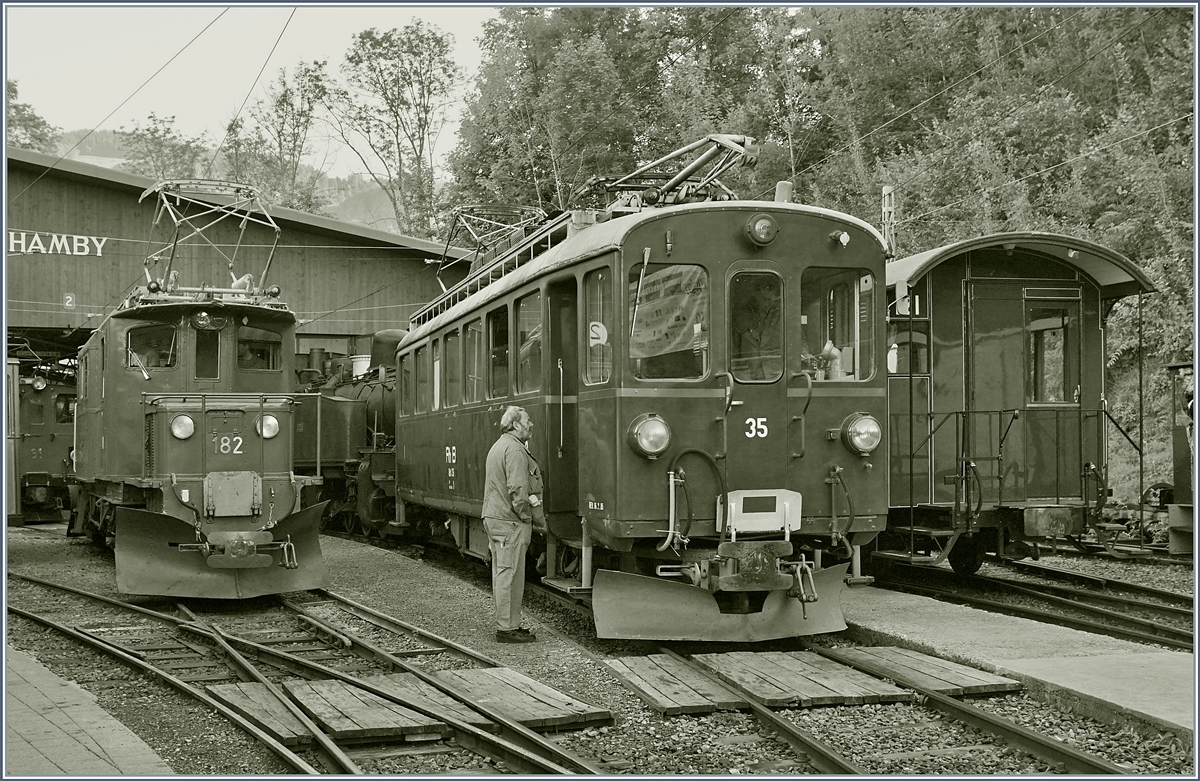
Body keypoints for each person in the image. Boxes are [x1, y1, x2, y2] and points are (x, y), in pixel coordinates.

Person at [482, 405, 544, 643]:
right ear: (516, 425)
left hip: (495, 517)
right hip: (510, 521)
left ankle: (509, 624)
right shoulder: (515, 450)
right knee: (510, 575)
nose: (531, 424)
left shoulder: (499, 446)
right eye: (527, 420)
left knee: (503, 574)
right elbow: (518, 489)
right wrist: (526, 516)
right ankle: (506, 629)